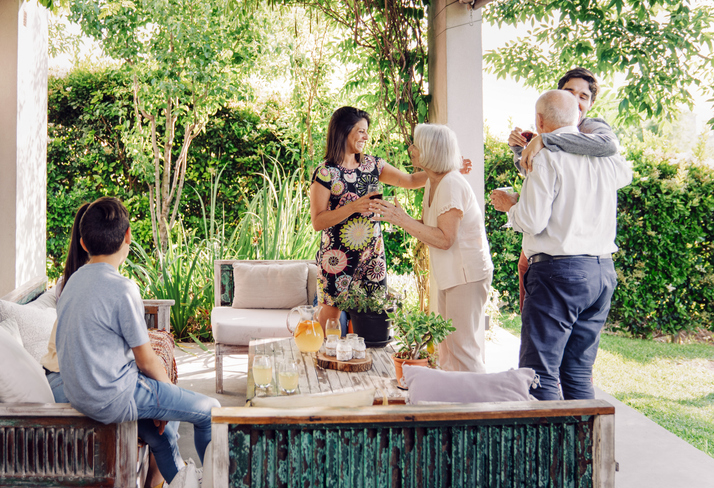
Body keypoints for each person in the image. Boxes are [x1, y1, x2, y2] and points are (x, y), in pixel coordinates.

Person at [56, 196, 220, 485]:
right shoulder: (122, 288)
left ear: (83, 243)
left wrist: (165, 407)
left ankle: (184, 482)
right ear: (128, 236)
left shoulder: (71, 283)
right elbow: (146, 360)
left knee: (164, 435)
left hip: (82, 396)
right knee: (212, 412)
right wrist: (169, 399)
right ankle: (218, 482)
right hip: (113, 397)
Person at [493, 90, 632, 400]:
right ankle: (580, 449)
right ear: (576, 119)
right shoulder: (607, 159)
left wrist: (510, 206)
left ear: (539, 121)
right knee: (579, 371)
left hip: (559, 273)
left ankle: (546, 449)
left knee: (538, 374)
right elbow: (624, 175)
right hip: (601, 273)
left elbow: (532, 222)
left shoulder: (544, 155)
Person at [491, 67, 619, 311]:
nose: (575, 100)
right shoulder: (548, 130)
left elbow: (608, 146)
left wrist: (545, 139)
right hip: (549, 251)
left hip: (567, 254)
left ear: (591, 104)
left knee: (542, 339)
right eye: (569, 92)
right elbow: (537, 175)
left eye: (583, 96)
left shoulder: (593, 128)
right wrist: (520, 149)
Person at [370, 124, 494, 373]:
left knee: (463, 350)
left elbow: (445, 238)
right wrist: (399, 217)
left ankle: (479, 409)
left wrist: (401, 220)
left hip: (467, 276)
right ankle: (452, 407)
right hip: (453, 276)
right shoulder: (434, 182)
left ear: (431, 150)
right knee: (448, 349)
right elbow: (432, 230)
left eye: (416, 145)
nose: (411, 149)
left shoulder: (451, 184)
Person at [310, 106, 430, 329]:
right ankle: (326, 360)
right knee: (332, 313)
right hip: (337, 257)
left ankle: (362, 360)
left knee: (369, 314)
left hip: (372, 255)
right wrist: (353, 207)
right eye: (361, 131)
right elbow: (318, 221)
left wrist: (447, 171)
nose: (366, 136)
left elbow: (411, 181)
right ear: (344, 131)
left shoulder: (373, 165)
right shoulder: (325, 172)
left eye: (366, 131)